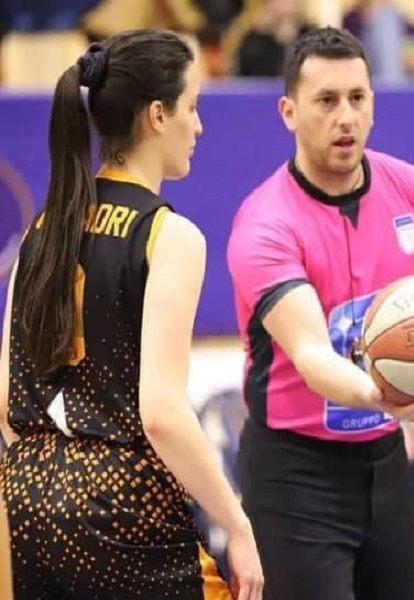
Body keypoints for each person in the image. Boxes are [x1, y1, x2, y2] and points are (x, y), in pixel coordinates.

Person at [0, 30, 264, 599]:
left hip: (23, 497)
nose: (199, 126)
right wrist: (237, 524)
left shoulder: (39, 232)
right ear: (157, 116)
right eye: (192, 107)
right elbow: (162, 414)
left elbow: (5, 404)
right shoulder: (169, 235)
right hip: (119, 501)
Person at [225, 26, 414, 600]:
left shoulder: (411, 189)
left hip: (385, 463)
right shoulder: (265, 224)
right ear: (289, 112)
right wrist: (386, 397)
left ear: (373, 105)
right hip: (294, 473)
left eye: (357, 98)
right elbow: (312, 356)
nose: (346, 117)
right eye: (326, 101)